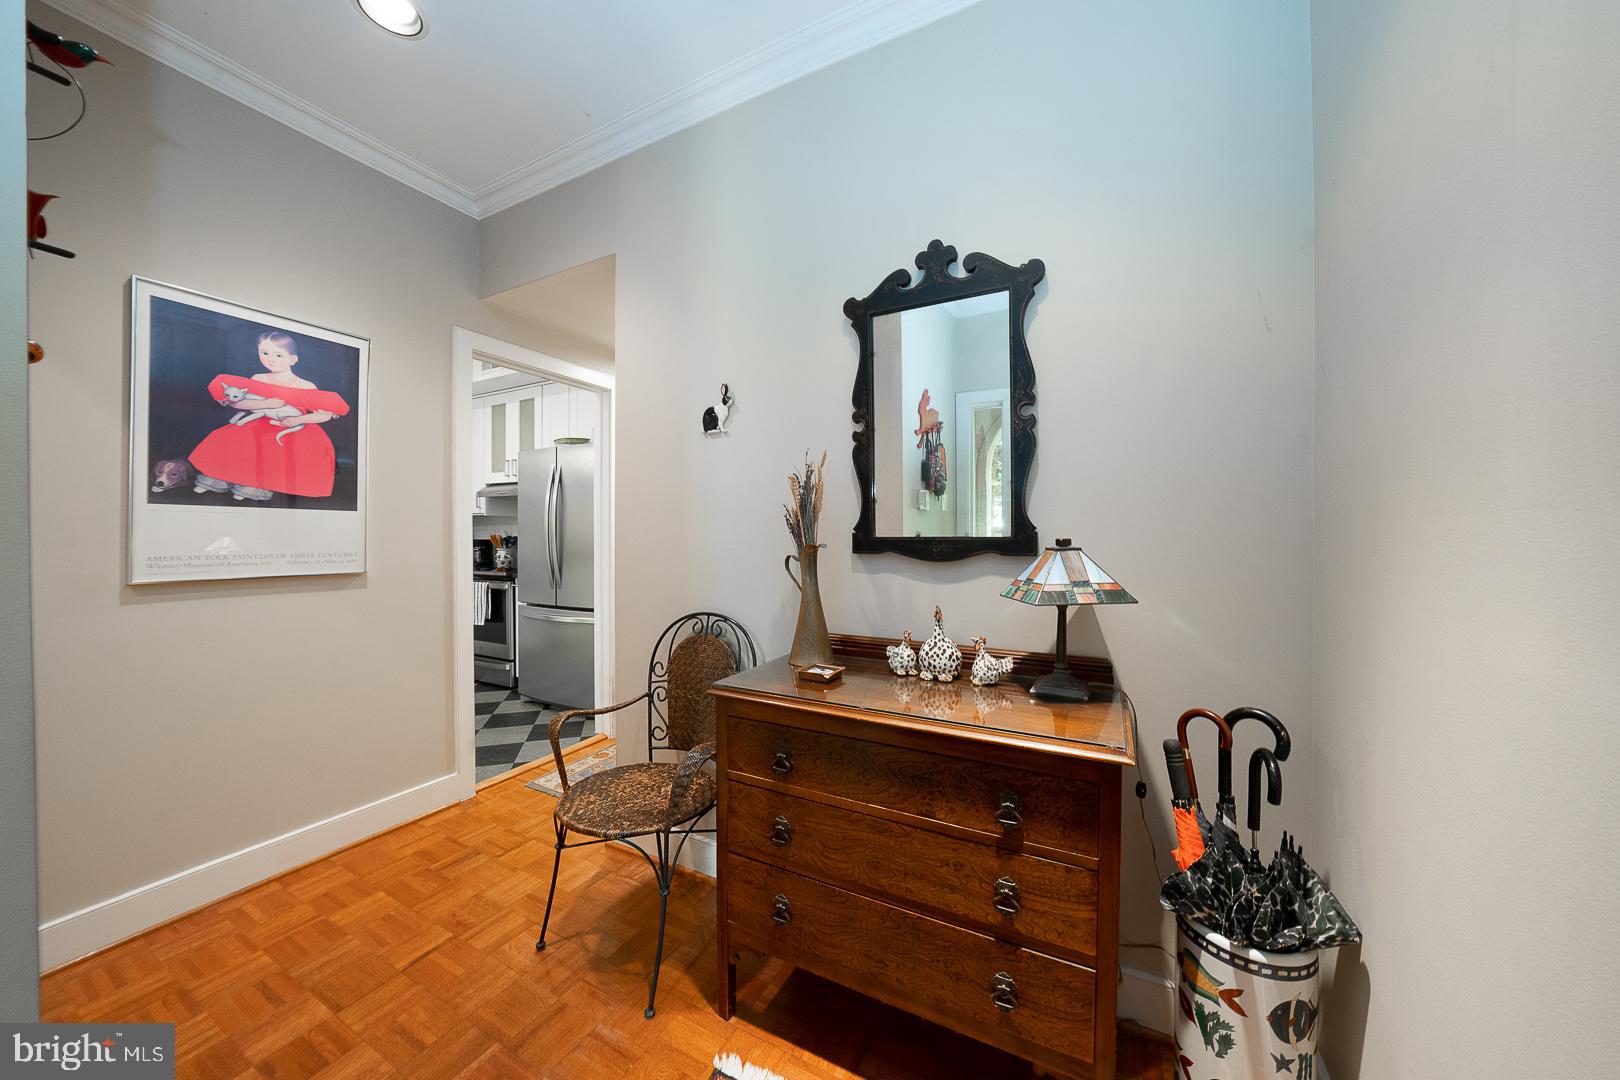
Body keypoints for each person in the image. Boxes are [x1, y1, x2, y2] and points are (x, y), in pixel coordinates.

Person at [188, 330, 351, 501]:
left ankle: (256, 485)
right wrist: (265, 403)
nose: (270, 359)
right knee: (230, 439)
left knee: (276, 447)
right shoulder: (259, 378)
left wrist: (298, 419)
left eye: (278, 355)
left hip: (293, 425)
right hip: (259, 421)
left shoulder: (306, 385)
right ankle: (220, 477)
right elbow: (239, 403)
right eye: (264, 353)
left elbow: (324, 415)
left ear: (293, 359)